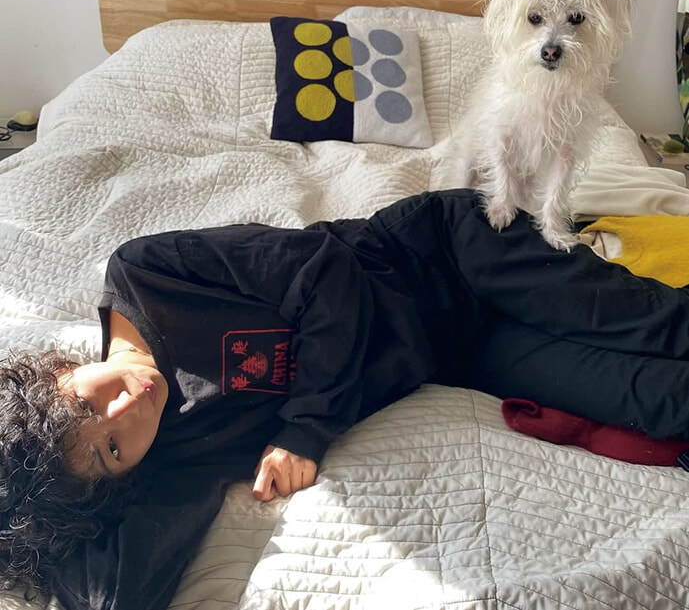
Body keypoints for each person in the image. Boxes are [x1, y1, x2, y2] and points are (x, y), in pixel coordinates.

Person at [4, 188, 689, 610]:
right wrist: (29, 531)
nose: (127, 409)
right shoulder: (173, 456)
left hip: (443, 251)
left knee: (658, 327)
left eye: (85, 405)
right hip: (458, 351)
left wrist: (305, 427)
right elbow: (113, 593)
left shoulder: (147, 274)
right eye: (110, 449)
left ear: (59, 370)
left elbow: (322, 268)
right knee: (661, 401)